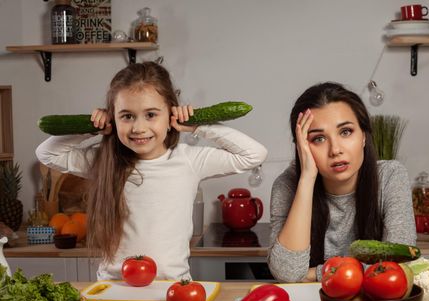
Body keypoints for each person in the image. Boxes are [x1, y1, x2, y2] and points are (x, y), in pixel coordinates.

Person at [36, 62, 267, 281]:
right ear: (113, 119)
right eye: (127, 116)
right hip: (114, 286)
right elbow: (46, 153)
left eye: (151, 115)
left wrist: (199, 124)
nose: (138, 128)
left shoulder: (188, 159)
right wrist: (90, 127)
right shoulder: (102, 160)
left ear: (171, 116)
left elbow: (254, 154)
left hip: (172, 286)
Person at [267, 82, 416, 283]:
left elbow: (400, 263)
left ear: (363, 135)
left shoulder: (391, 176)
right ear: (302, 146)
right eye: (318, 138)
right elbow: (288, 273)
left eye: (345, 132)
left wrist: (315, 274)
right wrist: (307, 178)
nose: (335, 149)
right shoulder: (287, 185)